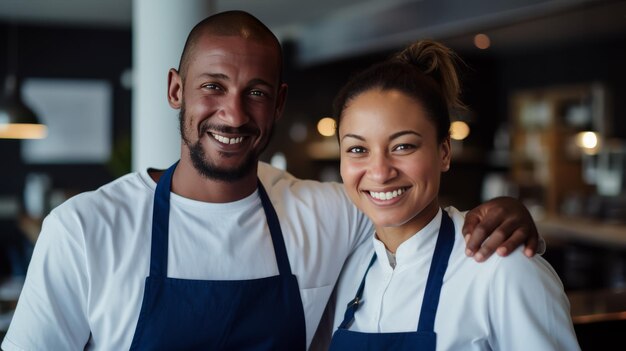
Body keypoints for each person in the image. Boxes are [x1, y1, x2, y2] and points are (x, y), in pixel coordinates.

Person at [2, 11, 541, 351]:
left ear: (278, 103)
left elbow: (405, 209)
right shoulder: (85, 229)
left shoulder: (326, 214)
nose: (233, 115)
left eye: (256, 92)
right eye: (212, 86)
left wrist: (502, 211)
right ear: (175, 90)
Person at [320, 40, 579, 350]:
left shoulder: (502, 268)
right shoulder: (347, 268)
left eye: (403, 146)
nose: (379, 171)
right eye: (358, 149)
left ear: (444, 152)